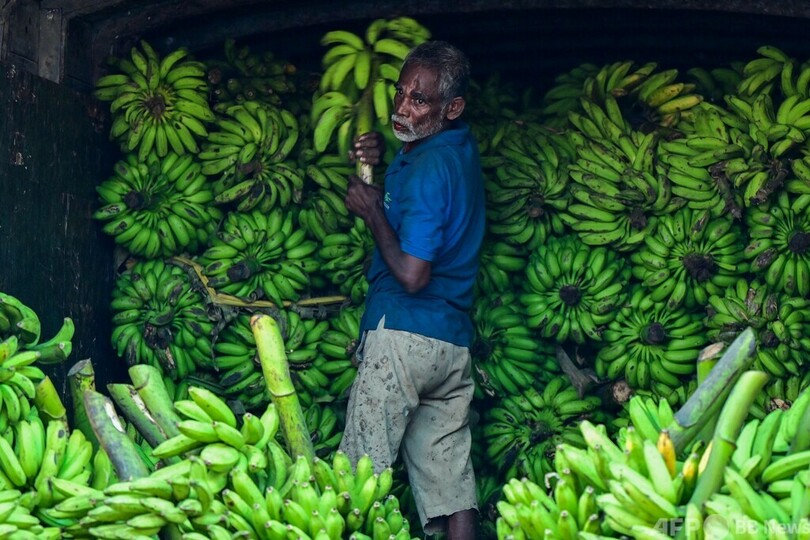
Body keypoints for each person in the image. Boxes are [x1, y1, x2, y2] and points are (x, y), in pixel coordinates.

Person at [339, 40, 485, 540]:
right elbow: (423, 204)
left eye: (419, 100)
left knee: (359, 473)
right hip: (450, 344)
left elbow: (412, 272)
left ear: (453, 107)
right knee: (450, 483)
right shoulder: (455, 151)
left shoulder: (428, 170)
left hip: (402, 337)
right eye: (400, 93)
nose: (403, 107)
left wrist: (371, 209)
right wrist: (382, 162)